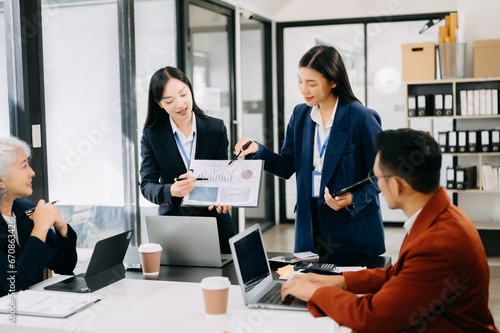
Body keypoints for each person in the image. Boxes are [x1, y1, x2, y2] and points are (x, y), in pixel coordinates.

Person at [281, 128, 499, 332]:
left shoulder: (437, 243)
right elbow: (401, 275)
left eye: (377, 178)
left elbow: (373, 316)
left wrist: (315, 293)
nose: (377, 185)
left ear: (396, 185)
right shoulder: (437, 214)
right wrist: (341, 280)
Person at [235, 45, 384, 256]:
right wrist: (258, 150)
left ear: (333, 81)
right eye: (300, 81)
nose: (303, 90)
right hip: (309, 229)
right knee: (309, 287)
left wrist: (353, 197)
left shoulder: (362, 118)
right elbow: (287, 165)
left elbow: (384, 174)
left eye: (311, 84)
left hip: (351, 229)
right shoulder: (300, 115)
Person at [140, 66, 234, 253]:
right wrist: (171, 190)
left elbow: (222, 177)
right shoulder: (152, 135)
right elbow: (147, 185)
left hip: (215, 225)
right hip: (173, 228)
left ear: (190, 90)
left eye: (183, 94)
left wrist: (224, 196)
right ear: (160, 104)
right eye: (169, 100)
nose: (180, 104)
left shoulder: (216, 129)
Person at [0, 137, 77, 297]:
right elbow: (13, 284)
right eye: (24, 166)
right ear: (1, 179)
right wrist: (40, 228)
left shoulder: (25, 209)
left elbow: (63, 266)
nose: (32, 173)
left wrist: (61, 229)